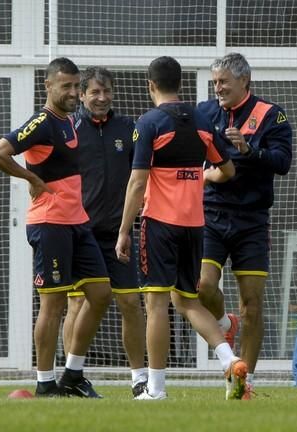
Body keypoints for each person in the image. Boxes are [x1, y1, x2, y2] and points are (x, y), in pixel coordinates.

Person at [115, 56, 247, 400]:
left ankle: (155, 389)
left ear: (151, 86)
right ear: (181, 85)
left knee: (156, 306)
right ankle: (229, 359)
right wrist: (199, 177)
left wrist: (124, 230)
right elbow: (228, 169)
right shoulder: (202, 120)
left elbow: (137, 181)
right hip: (194, 226)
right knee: (187, 301)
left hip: (160, 224)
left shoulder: (149, 123)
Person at [0, 57, 113, 398]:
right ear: (49, 86)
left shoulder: (70, 121)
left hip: (78, 222)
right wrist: (30, 177)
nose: (73, 92)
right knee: (53, 305)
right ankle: (44, 383)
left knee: (100, 294)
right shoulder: (41, 122)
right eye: (66, 86)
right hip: (51, 223)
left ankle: (72, 374)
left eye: (75, 86)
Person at [196, 52, 292, 396]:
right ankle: (225, 324)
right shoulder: (205, 113)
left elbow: (283, 163)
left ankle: (244, 381)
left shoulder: (271, 114)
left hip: (252, 220)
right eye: (215, 81)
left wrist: (250, 150)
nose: (217, 87)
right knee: (202, 287)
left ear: (244, 82)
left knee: (252, 303)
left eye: (224, 81)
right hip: (211, 214)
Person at [61, 66, 147, 397]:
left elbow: (143, 175)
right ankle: (73, 377)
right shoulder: (70, 128)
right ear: (81, 94)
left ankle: (139, 378)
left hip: (119, 234)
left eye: (106, 91)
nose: (101, 97)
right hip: (79, 233)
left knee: (130, 304)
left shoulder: (129, 128)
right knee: (77, 304)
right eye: (94, 92)